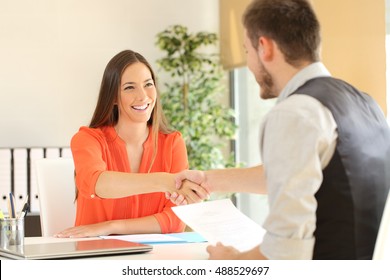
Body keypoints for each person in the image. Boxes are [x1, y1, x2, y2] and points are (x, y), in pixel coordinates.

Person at [169, 0, 390, 260]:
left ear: (265, 47)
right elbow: (301, 173)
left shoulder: (295, 112)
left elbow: (287, 249)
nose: (249, 64)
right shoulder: (365, 103)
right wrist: (209, 180)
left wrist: (231, 261)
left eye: (247, 51)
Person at [56, 50, 206, 238]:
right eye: (129, 87)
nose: (143, 96)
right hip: (95, 254)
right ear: (113, 97)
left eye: (148, 84)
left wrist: (111, 227)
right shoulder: (87, 139)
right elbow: (97, 184)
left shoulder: (172, 143)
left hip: (153, 257)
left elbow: (175, 221)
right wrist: (167, 181)